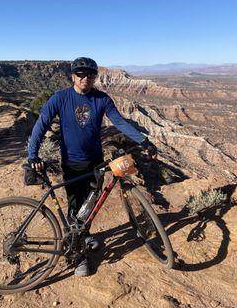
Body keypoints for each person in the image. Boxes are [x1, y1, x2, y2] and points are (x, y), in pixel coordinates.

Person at [27, 57, 157, 277]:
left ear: (95, 77)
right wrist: (32, 154)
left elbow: (120, 122)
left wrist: (142, 140)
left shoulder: (101, 99)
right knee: (75, 206)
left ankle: (84, 236)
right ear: (72, 76)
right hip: (71, 163)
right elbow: (42, 125)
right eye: (80, 74)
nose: (85, 78)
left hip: (95, 162)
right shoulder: (60, 98)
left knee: (89, 205)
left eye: (90, 74)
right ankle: (78, 258)